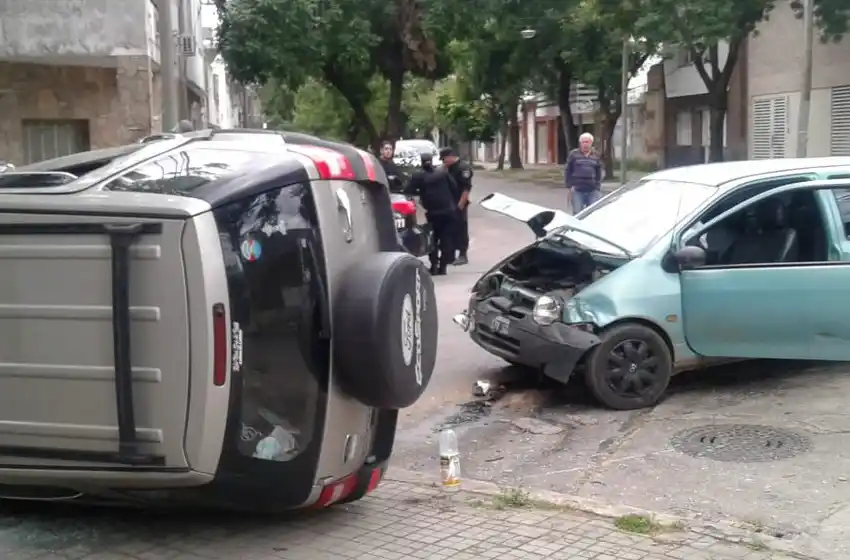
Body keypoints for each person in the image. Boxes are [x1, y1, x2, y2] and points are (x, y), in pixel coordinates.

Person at [407, 153, 458, 275]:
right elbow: (455, 188)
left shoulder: (419, 175)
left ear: (421, 161)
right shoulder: (443, 173)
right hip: (448, 210)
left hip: (433, 212)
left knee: (432, 239)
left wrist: (420, 193)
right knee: (446, 238)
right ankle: (443, 266)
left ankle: (434, 266)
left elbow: (408, 190)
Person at [439, 147, 473, 266]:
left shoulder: (463, 168)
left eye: (444, 159)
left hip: (459, 203)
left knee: (461, 228)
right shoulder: (446, 168)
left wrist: (460, 206)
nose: (444, 162)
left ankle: (463, 255)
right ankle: (450, 255)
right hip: (448, 204)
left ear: (450, 157)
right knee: (449, 230)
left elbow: (466, 189)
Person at [565, 132, 603, 214]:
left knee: (592, 214)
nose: (585, 144)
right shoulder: (573, 154)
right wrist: (569, 186)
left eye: (587, 142)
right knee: (578, 213)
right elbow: (568, 170)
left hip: (592, 190)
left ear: (591, 143)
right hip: (577, 190)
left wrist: (598, 186)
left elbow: (599, 171)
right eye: (583, 142)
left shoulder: (596, 155)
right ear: (580, 143)